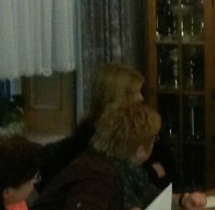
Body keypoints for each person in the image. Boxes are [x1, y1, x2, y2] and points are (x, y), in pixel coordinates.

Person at [30, 101, 206, 210]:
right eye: (154, 140)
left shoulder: (119, 167)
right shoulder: (98, 175)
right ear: (140, 150)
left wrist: (181, 200)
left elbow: (149, 198)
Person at [37, 63, 178, 191]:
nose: (141, 98)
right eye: (134, 93)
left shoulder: (142, 127)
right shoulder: (89, 139)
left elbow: (170, 170)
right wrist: (152, 172)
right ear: (115, 98)